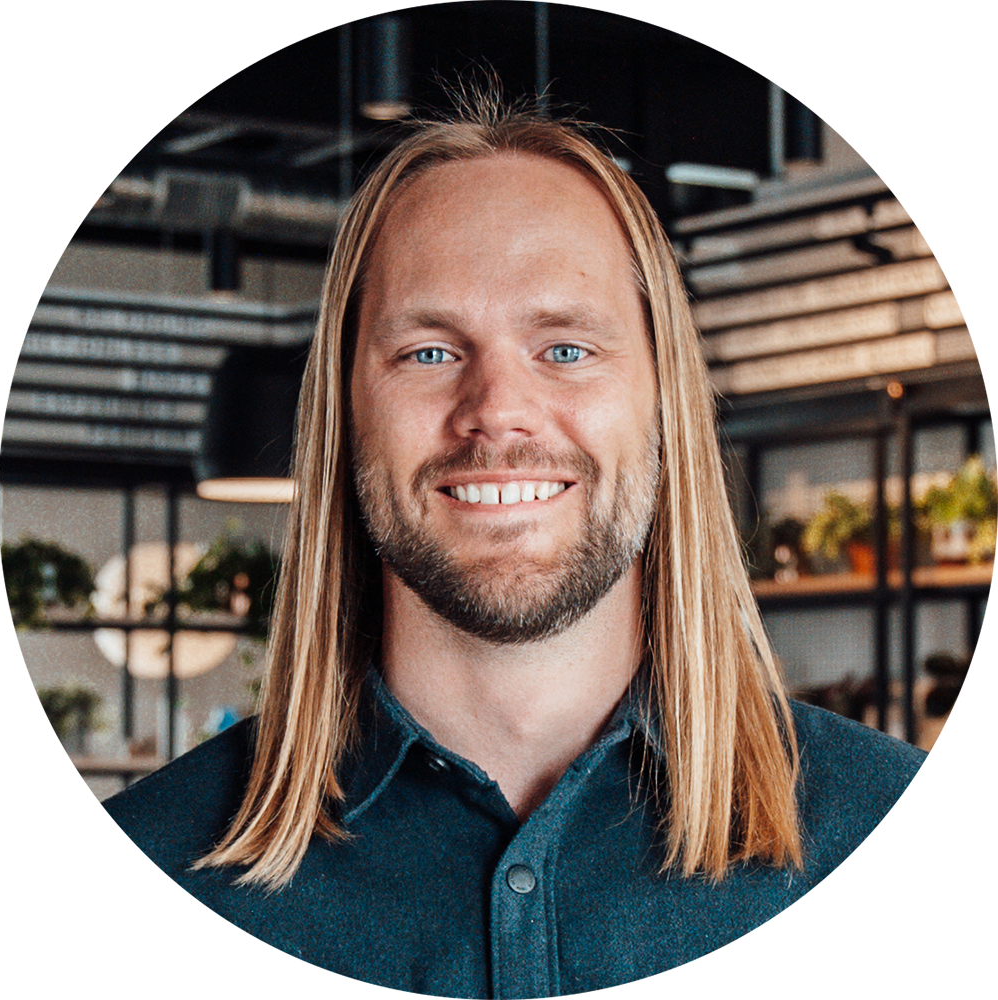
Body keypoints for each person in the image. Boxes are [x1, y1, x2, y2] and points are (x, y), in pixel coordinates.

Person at [103, 96, 925, 996]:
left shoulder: (911, 842)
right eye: (427, 352)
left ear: (665, 403)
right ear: (345, 413)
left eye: (566, 348)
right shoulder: (141, 871)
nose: (496, 408)